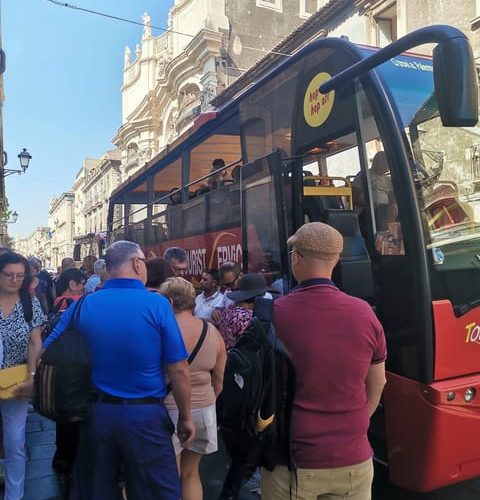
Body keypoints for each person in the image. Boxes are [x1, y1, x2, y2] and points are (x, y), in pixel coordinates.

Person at [43, 241, 195, 500]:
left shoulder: (84, 304)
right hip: (145, 415)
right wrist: (186, 416)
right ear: (137, 264)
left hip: (96, 415)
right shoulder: (157, 305)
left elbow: (49, 349)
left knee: (97, 490)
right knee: (156, 491)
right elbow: (178, 368)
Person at [262, 222, 387, 500]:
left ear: (296, 258)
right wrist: (355, 423)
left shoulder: (274, 313)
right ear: (336, 260)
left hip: (292, 460)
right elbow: (378, 382)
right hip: (353, 458)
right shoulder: (364, 313)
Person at [160, 277, 226, 500]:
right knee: (191, 474)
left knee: (168, 475)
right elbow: (219, 378)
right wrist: (208, 400)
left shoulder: (160, 331)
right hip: (204, 409)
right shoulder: (212, 331)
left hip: (170, 410)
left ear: (168, 302)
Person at [0, 252, 44, 500]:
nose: (15, 279)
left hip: (15, 381)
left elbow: (35, 344)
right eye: (9, 275)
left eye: (20, 275)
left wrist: (32, 377)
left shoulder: (30, 303)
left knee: (15, 441)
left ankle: (14, 495)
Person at [48, 268, 86, 479]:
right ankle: (71, 456)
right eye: (80, 283)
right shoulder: (73, 302)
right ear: (72, 284)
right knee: (74, 412)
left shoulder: (58, 301)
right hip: (75, 361)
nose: (82, 287)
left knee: (63, 412)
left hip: (61, 361)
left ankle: (62, 456)